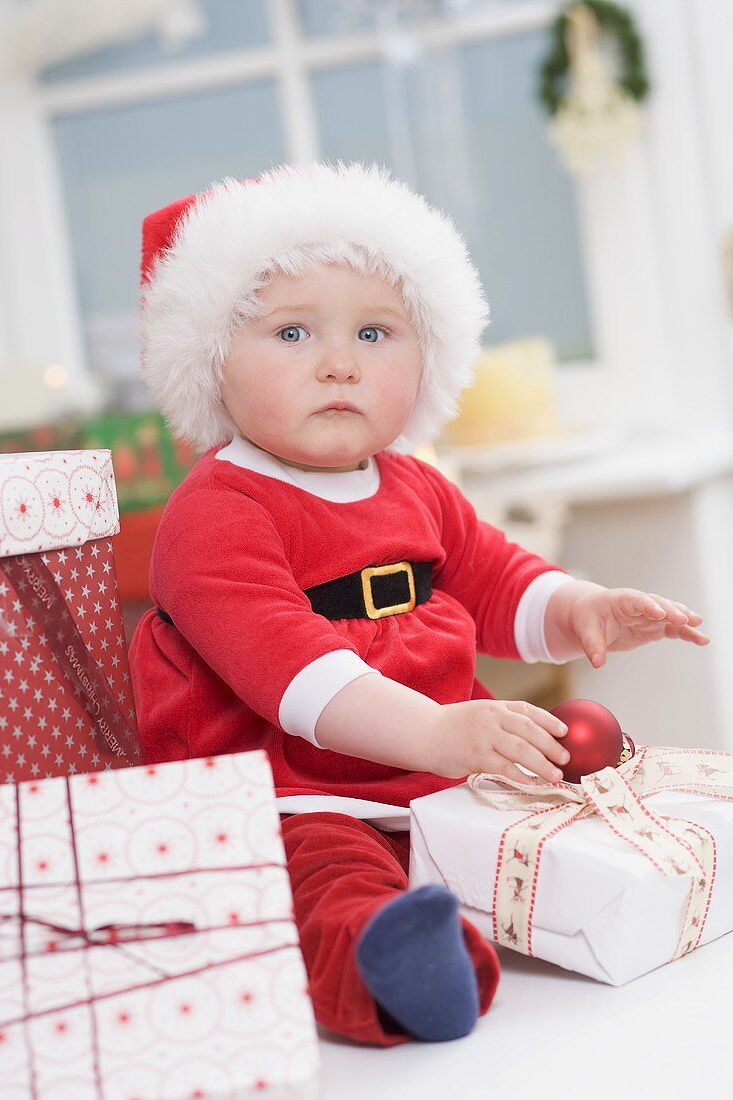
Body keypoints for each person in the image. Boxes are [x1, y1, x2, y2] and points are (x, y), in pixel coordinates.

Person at [129, 160, 709, 1046]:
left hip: (440, 774)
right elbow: (290, 668)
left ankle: (626, 885)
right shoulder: (217, 511)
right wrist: (440, 733)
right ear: (210, 360)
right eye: (291, 334)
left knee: (565, 782)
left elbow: (494, 576)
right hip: (295, 789)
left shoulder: (411, 484)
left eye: (374, 333)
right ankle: (388, 966)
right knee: (325, 877)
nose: (337, 363)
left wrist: (580, 606)